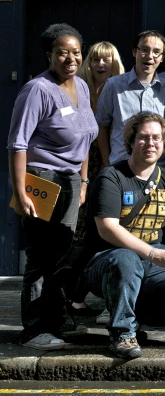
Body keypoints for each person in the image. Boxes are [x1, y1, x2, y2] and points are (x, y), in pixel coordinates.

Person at [83, 113, 165, 358]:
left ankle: (132, 318)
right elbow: (107, 228)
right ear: (131, 142)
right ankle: (122, 334)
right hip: (106, 260)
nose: (150, 143)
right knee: (126, 258)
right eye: (143, 138)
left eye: (156, 138)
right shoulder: (111, 177)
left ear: (164, 143)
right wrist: (153, 253)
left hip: (151, 260)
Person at [8, 23, 98, 350]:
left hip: (72, 181)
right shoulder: (37, 90)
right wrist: (20, 192)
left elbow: (87, 138)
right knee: (41, 257)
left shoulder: (83, 87)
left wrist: (84, 179)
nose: (71, 58)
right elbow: (17, 144)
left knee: (62, 256)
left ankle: (57, 320)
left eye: (76, 51)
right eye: (63, 52)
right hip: (41, 179)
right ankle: (34, 329)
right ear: (49, 54)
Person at [72, 41, 126, 318]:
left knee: (111, 230)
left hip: (109, 167)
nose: (101, 65)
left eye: (107, 60)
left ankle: (110, 298)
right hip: (83, 169)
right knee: (82, 233)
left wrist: (107, 166)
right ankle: (76, 296)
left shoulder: (120, 89)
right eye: (96, 60)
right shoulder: (79, 91)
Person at [96, 30, 165, 167]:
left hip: (158, 169)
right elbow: (102, 125)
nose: (150, 56)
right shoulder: (113, 85)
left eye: (156, 52)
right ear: (134, 52)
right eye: (144, 50)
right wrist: (107, 163)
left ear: (162, 58)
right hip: (120, 166)